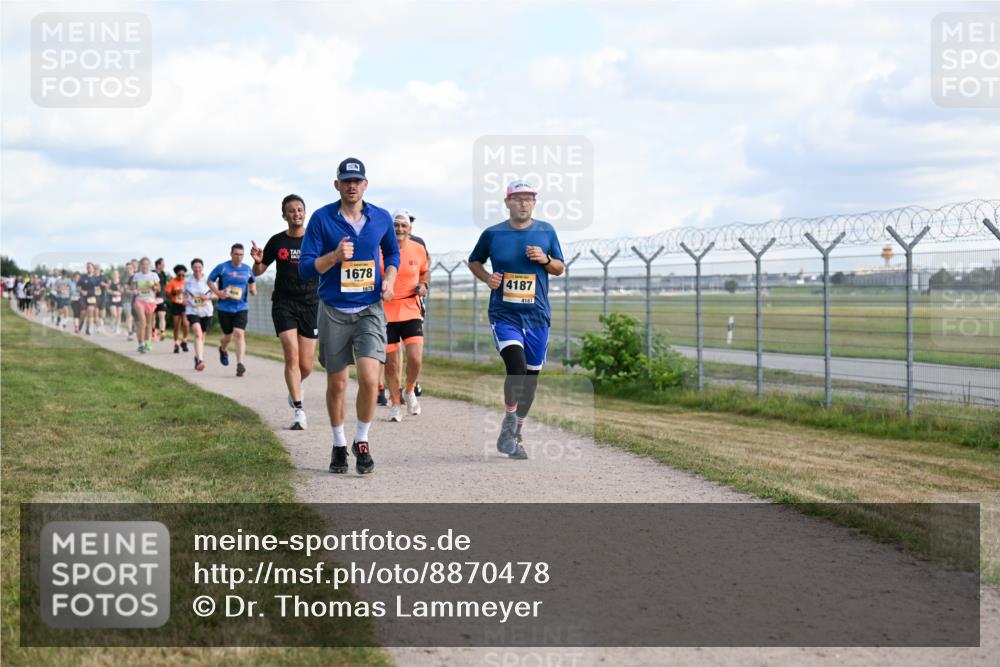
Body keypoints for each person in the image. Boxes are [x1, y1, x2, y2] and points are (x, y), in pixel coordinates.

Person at [299, 157, 399, 475]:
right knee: (338, 383)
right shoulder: (321, 219)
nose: (352, 186)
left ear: (365, 184)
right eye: (346, 181)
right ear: (337, 185)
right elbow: (305, 267)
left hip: (369, 308)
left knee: (370, 380)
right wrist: (334, 256)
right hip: (333, 310)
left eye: (357, 181)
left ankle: (362, 440)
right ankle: (339, 444)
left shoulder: (381, 218)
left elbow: (393, 252)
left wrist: (391, 278)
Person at [467, 181, 565, 460]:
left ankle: (514, 432)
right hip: (504, 314)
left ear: (534, 202)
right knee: (516, 368)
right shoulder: (493, 234)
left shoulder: (546, 231)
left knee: (530, 381)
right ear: (507, 202)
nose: (524, 203)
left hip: (537, 316)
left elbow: (559, 268)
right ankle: (510, 420)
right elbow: (474, 261)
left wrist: (545, 259)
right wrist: (488, 278)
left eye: (529, 198)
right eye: (518, 198)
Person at [249, 194, 319, 430]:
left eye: (300, 209)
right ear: (284, 215)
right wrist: (258, 261)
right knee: (291, 354)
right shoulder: (277, 242)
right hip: (284, 303)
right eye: (291, 210)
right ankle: (299, 409)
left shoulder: (315, 239)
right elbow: (258, 271)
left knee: (306, 365)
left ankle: (294, 388)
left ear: (304, 213)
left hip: (311, 303)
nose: (296, 214)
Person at [383, 209, 430, 422]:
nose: (400, 229)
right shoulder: (380, 250)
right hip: (386, 312)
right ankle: (395, 404)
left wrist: (423, 285)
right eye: (396, 225)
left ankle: (409, 390)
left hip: (411, 308)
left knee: (415, 357)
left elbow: (424, 271)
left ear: (409, 228)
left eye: (403, 225)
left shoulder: (418, 249)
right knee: (391, 363)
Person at [209, 244, 256, 377]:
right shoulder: (223, 267)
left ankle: (240, 364)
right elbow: (210, 281)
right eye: (236, 254)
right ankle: (223, 348)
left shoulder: (247, 269)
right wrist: (217, 292)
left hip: (241, 307)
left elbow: (252, 281)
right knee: (228, 336)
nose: (239, 257)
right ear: (231, 254)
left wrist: (253, 289)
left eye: (241, 254)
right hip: (224, 308)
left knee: (239, 333)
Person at [184, 258, 216, 371]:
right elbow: (183, 295)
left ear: (202, 268)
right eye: (195, 267)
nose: (197, 269)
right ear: (192, 268)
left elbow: (216, 294)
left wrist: (208, 297)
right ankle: (200, 360)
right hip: (192, 311)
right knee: (197, 334)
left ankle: (198, 355)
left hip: (207, 311)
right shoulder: (187, 281)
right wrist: (184, 300)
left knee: (202, 337)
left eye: (199, 267)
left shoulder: (209, 280)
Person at [132, 257, 160, 353]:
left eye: (147, 264)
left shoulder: (154, 275)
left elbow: (159, 288)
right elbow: (133, 288)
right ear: (140, 265)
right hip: (139, 301)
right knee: (142, 322)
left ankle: (148, 342)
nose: (145, 266)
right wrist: (135, 290)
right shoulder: (137, 276)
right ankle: (141, 344)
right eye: (143, 264)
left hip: (150, 301)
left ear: (149, 265)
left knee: (149, 324)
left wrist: (152, 286)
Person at [165, 264, 190, 353]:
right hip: (176, 304)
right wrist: (175, 292)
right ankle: (176, 343)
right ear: (176, 274)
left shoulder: (187, 281)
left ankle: (184, 340)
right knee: (176, 325)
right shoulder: (172, 282)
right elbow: (167, 293)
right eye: (179, 275)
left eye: (183, 275)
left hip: (185, 305)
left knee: (186, 323)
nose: (181, 277)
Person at [154, 258, 168, 342]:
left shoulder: (163, 274)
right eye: (163, 264)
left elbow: (165, 285)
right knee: (153, 317)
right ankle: (153, 332)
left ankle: (162, 332)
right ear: (158, 265)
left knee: (162, 315)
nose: (164, 266)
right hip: (152, 298)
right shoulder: (151, 273)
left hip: (162, 298)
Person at [108, 269, 124, 334]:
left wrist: (120, 290)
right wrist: (113, 292)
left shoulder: (121, 282)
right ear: (112, 275)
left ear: (118, 275)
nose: (115, 275)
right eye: (114, 274)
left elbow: (122, 291)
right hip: (112, 300)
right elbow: (108, 290)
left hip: (119, 300)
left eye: (116, 274)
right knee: (114, 314)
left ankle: (117, 327)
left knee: (119, 315)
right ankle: (113, 322)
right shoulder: (110, 282)